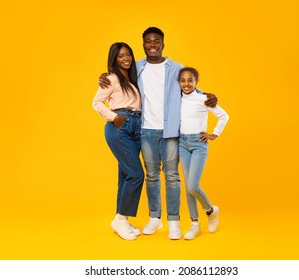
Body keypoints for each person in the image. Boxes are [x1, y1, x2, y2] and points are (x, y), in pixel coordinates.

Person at [98, 27, 217, 240]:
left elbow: (189, 86)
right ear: (143, 44)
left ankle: (173, 221)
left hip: (170, 130)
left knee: (171, 176)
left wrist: (206, 96)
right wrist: (104, 77)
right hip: (144, 130)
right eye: (148, 41)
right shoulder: (137, 67)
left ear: (163, 43)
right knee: (151, 176)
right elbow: (118, 74)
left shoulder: (177, 68)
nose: (152, 44)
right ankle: (155, 217)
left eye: (156, 41)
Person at [92, 42, 144, 241]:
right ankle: (121, 219)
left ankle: (121, 219)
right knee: (136, 174)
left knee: (126, 175)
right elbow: (96, 102)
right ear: (114, 58)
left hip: (136, 126)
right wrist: (114, 118)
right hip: (120, 126)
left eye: (128, 55)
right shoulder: (111, 79)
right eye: (121, 55)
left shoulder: (132, 79)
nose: (126, 58)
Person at [177, 67, 229, 240]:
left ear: (196, 82)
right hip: (182, 143)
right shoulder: (176, 99)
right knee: (187, 188)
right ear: (179, 82)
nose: (186, 84)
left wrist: (214, 134)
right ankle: (194, 224)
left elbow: (224, 116)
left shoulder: (203, 98)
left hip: (198, 144)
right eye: (183, 80)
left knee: (193, 186)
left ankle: (211, 211)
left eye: (190, 80)